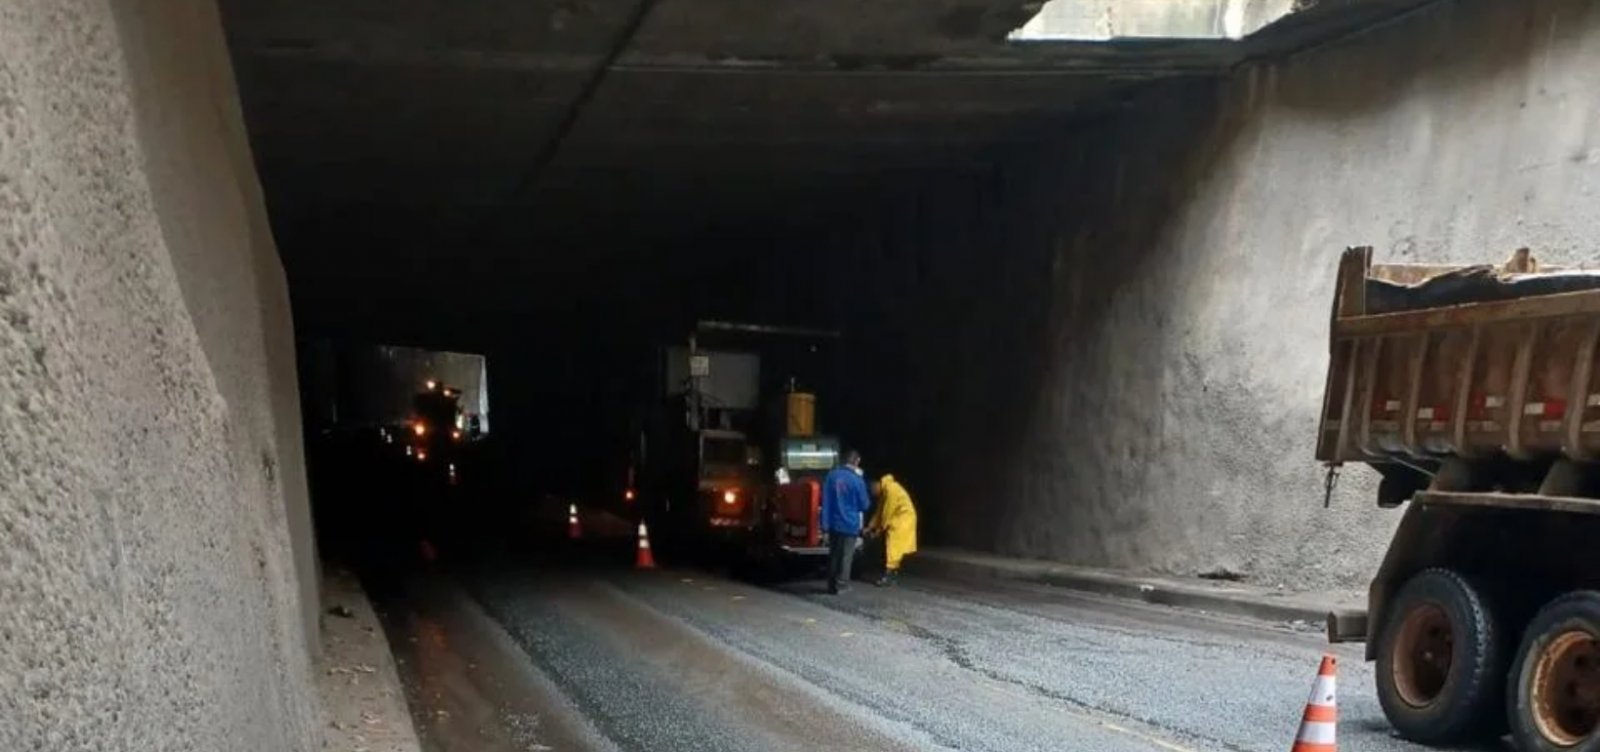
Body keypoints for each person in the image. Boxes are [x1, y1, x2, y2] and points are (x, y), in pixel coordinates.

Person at [821, 449, 870, 595]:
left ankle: (831, 585)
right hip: (850, 524)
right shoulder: (857, 480)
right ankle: (842, 584)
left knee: (834, 554)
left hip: (834, 524)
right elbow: (864, 505)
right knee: (847, 555)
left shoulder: (831, 476)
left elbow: (826, 502)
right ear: (856, 462)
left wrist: (824, 526)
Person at [866, 474, 918, 586]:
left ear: (876, 485)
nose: (873, 494)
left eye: (872, 491)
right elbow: (879, 511)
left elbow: (887, 513)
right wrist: (870, 527)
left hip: (902, 520)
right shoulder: (886, 490)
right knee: (894, 548)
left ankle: (888, 576)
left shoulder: (891, 490)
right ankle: (893, 575)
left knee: (893, 547)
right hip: (899, 519)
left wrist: (878, 531)